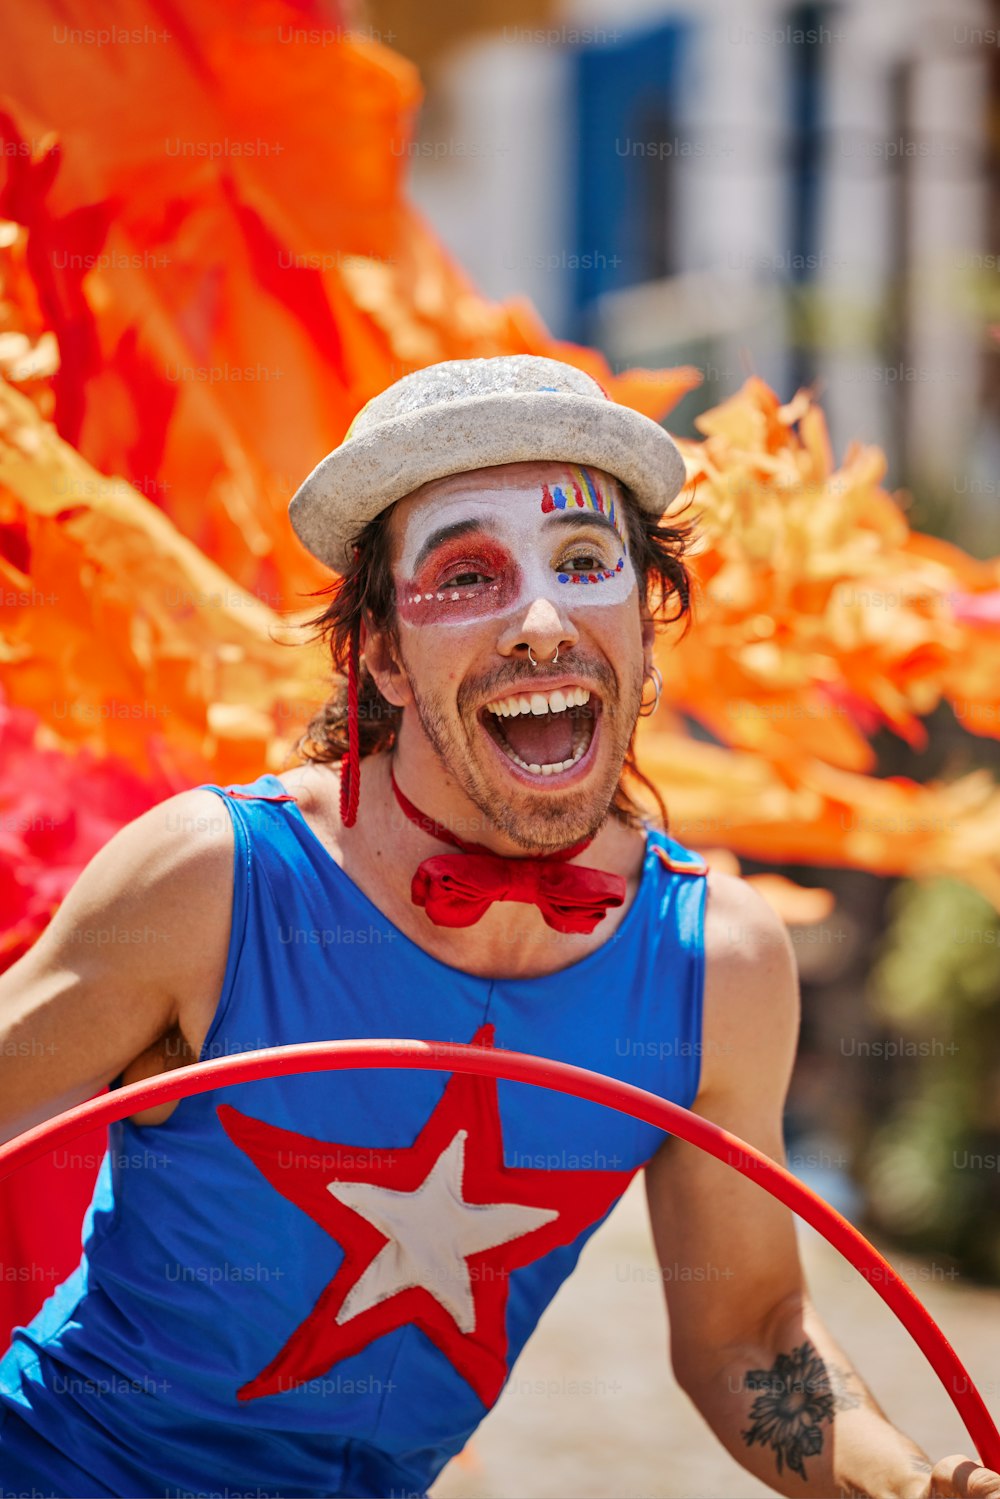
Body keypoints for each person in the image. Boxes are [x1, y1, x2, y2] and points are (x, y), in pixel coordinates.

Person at [0, 355, 996, 1499]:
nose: (538, 620)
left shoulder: (715, 961)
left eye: (584, 564)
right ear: (377, 649)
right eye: (468, 573)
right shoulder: (210, 879)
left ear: (643, 626)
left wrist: (907, 1482)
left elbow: (751, 1332)